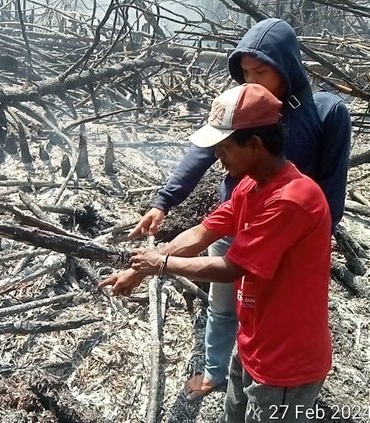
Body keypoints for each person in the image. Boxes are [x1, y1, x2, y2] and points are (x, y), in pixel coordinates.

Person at [128, 18, 350, 400]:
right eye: (245, 72)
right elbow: (204, 222)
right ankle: (225, 370)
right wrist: (161, 211)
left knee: (276, 316)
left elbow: (330, 193)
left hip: (289, 238)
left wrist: (310, 251)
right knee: (230, 305)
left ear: (257, 146)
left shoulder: (325, 116)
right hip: (245, 223)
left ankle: (282, 379)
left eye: (260, 71)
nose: (251, 80)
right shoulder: (247, 174)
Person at [100, 83, 333, 422]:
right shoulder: (252, 186)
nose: (218, 158)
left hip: (287, 362)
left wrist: (161, 264)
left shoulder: (291, 200)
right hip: (254, 342)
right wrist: (139, 269)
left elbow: (230, 267)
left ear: (255, 144)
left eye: (224, 148)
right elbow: (202, 232)